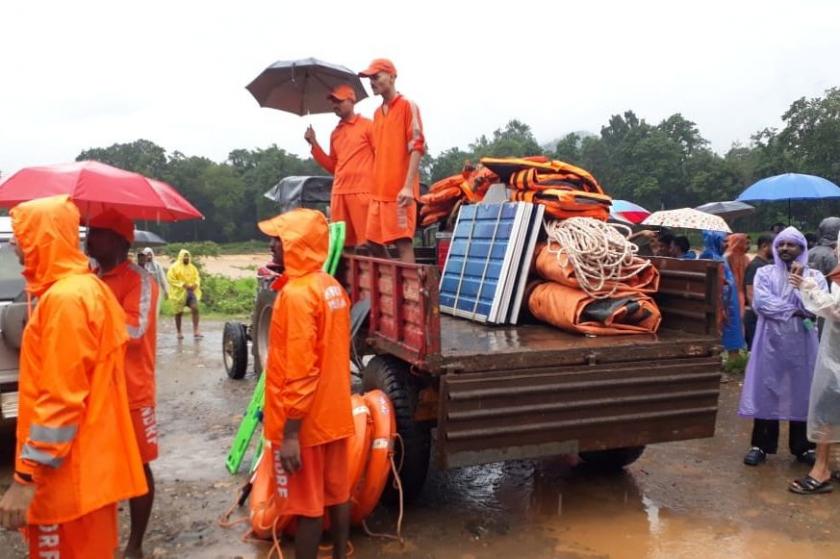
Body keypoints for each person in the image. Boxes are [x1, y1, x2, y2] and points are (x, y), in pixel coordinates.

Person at [0, 195, 146, 556]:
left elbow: (60, 401)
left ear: (41, 239)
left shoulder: (66, 301)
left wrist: (26, 476)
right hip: (89, 471)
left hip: (66, 479)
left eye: (21, 235)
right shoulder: (84, 289)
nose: (15, 244)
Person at [258, 208, 354, 559]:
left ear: (296, 245)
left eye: (278, 239)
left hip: (307, 425)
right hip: (334, 417)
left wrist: (291, 433)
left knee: (308, 508)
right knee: (337, 494)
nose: (271, 245)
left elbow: (301, 370)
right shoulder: (331, 287)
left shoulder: (297, 296)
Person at [85, 210, 160, 558]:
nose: (89, 237)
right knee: (98, 464)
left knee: (139, 468)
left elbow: (134, 330)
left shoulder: (141, 280)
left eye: (97, 232)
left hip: (132, 391)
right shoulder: (87, 276)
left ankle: (135, 544)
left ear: (118, 240)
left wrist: (94, 312)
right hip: (95, 391)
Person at [739, 227, 827, 466]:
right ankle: (761, 445)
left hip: (803, 344)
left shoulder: (815, 277)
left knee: (804, 392)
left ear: (802, 249)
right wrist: (795, 309)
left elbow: (817, 307)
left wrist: (800, 286)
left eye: (791, 244)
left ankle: (803, 447)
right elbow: (762, 304)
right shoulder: (765, 273)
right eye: (781, 244)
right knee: (767, 389)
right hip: (770, 343)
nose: (785, 248)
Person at [359, 58, 427, 263]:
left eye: (376, 76)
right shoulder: (377, 114)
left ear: (392, 76)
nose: (372, 82)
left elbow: (417, 146)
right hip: (378, 192)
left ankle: (411, 293)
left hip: (399, 193)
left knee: (402, 242)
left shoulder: (407, 106)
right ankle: (393, 284)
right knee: (371, 242)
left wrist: (407, 187)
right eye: (369, 78)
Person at [789, 231, 840, 494]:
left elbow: (837, 312)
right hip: (834, 353)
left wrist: (807, 287)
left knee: (827, 409)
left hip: (836, 360)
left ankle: (821, 470)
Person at [305, 84, 374, 250]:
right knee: (341, 245)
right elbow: (333, 166)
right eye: (333, 102)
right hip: (339, 194)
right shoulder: (335, 133)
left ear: (352, 100)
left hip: (362, 192)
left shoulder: (368, 125)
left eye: (339, 101)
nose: (335, 105)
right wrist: (314, 143)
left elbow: (381, 157)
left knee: (368, 243)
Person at [699, 231, 746, 356]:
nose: (726, 244)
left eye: (727, 241)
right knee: (725, 330)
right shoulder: (711, 256)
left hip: (729, 299)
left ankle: (733, 361)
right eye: (723, 241)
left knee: (732, 329)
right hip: (724, 301)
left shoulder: (718, 256)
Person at [744, 233, 774, 347]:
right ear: (765, 246)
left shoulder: (766, 265)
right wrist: (760, 315)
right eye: (775, 246)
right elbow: (750, 293)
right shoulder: (755, 266)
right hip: (755, 316)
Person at [167, 249, 202, 339]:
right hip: (178, 293)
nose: (186, 258)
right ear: (181, 257)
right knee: (178, 313)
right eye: (184, 256)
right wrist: (182, 284)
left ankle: (196, 331)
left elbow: (197, 277)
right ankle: (179, 332)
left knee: (195, 308)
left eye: (187, 256)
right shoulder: (174, 267)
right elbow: (171, 279)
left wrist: (196, 284)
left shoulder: (192, 267)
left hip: (190, 292)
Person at [725, 233, 750, 319]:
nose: (748, 246)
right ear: (738, 242)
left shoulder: (746, 258)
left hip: (741, 293)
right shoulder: (727, 257)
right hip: (730, 293)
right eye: (746, 243)